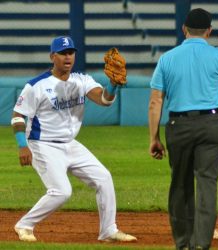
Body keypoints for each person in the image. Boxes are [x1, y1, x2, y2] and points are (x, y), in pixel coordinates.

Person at [148, 8, 218, 250]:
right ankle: (201, 245)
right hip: (212, 125)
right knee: (207, 183)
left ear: (184, 29)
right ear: (209, 31)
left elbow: (155, 101)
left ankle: (182, 244)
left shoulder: (167, 58)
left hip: (179, 125)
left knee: (180, 185)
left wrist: (154, 138)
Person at [11, 36, 137, 242]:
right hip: (42, 144)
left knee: (103, 178)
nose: (67, 57)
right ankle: (24, 225)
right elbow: (17, 116)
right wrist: (22, 146)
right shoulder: (37, 85)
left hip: (70, 144)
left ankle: (108, 231)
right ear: (53, 56)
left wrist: (113, 84)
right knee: (61, 191)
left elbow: (104, 99)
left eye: (71, 52)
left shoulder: (82, 80)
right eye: (62, 53)